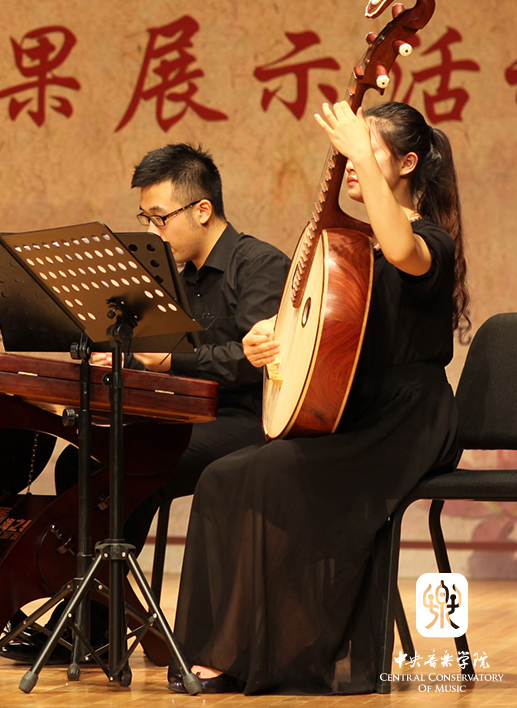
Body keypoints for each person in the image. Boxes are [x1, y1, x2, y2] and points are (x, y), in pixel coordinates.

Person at [170, 101, 465, 694]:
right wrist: (270, 339)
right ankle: (224, 643)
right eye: (348, 151)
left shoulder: (426, 240)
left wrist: (357, 149)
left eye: (366, 150)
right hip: (356, 411)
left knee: (270, 474)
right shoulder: (350, 246)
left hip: (407, 420)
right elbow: (325, 338)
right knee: (223, 477)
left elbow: (402, 251)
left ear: (408, 163)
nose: (351, 162)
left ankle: (253, 651)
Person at [2, 143, 289, 662]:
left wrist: (170, 362)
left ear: (202, 210)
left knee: (128, 463)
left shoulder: (260, 265)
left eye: (160, 218)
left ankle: (103, 624)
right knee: (81, 462)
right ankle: (95, 622)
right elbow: (155, 358)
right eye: (146, 219)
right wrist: (120, 359)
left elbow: (258, 360)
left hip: (247, 419)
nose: (153, 232)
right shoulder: (167, 275)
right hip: (178, 416)